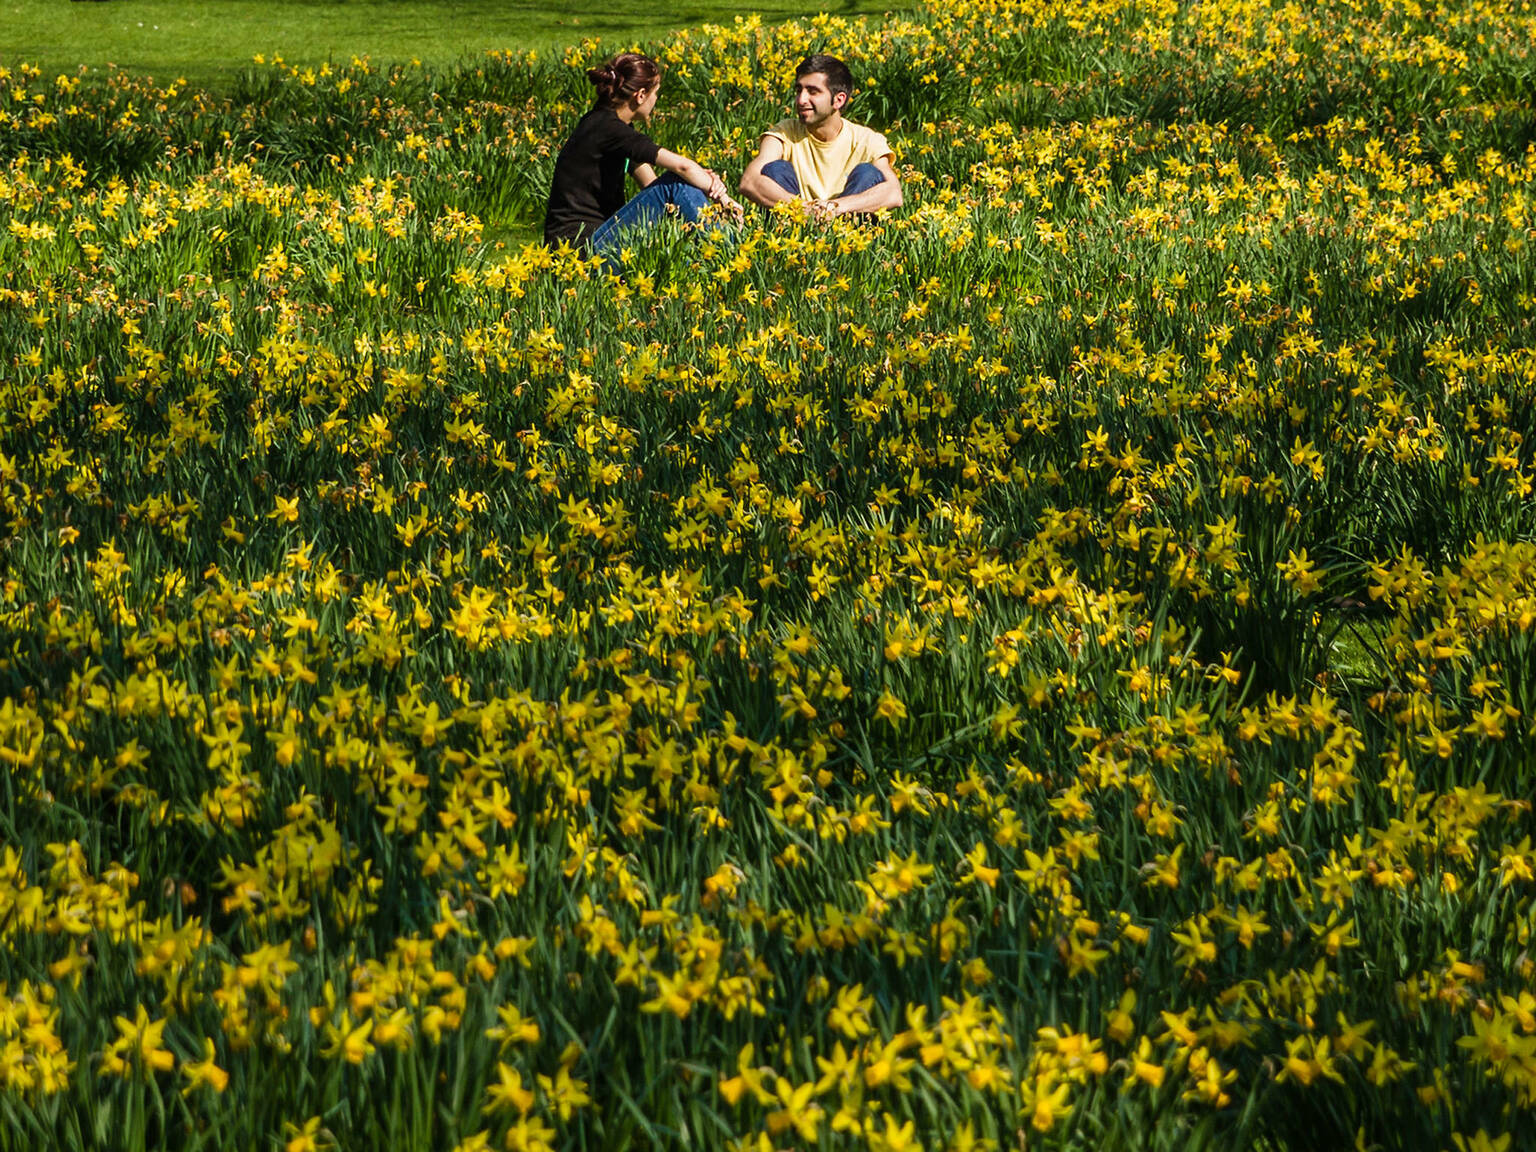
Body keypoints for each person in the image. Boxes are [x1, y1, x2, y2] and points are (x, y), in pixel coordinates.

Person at [544, 53, 742, 256]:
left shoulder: (600, 123)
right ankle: (728, 255)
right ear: (640, 95)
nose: (656, 100)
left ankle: (716, 252)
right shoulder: (611, 131)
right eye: (655, 93)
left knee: (680, 183)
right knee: (677, 181)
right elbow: (681, 168)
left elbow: (654, 188)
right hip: (581, 252)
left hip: (588, 244)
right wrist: (723, 198)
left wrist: (701, 180)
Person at [738, 54, 903, 219]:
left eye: (813, 92)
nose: (801, 100)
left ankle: (843, 237)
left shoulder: (867, 140)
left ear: (838, 100)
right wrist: (807, 210)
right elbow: (749, 181)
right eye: (798, 90)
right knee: (775, 169)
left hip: (848, 229)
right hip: (797, 224)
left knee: (869, 173)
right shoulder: (783, 133)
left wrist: (835, 208)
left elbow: (893, 194)